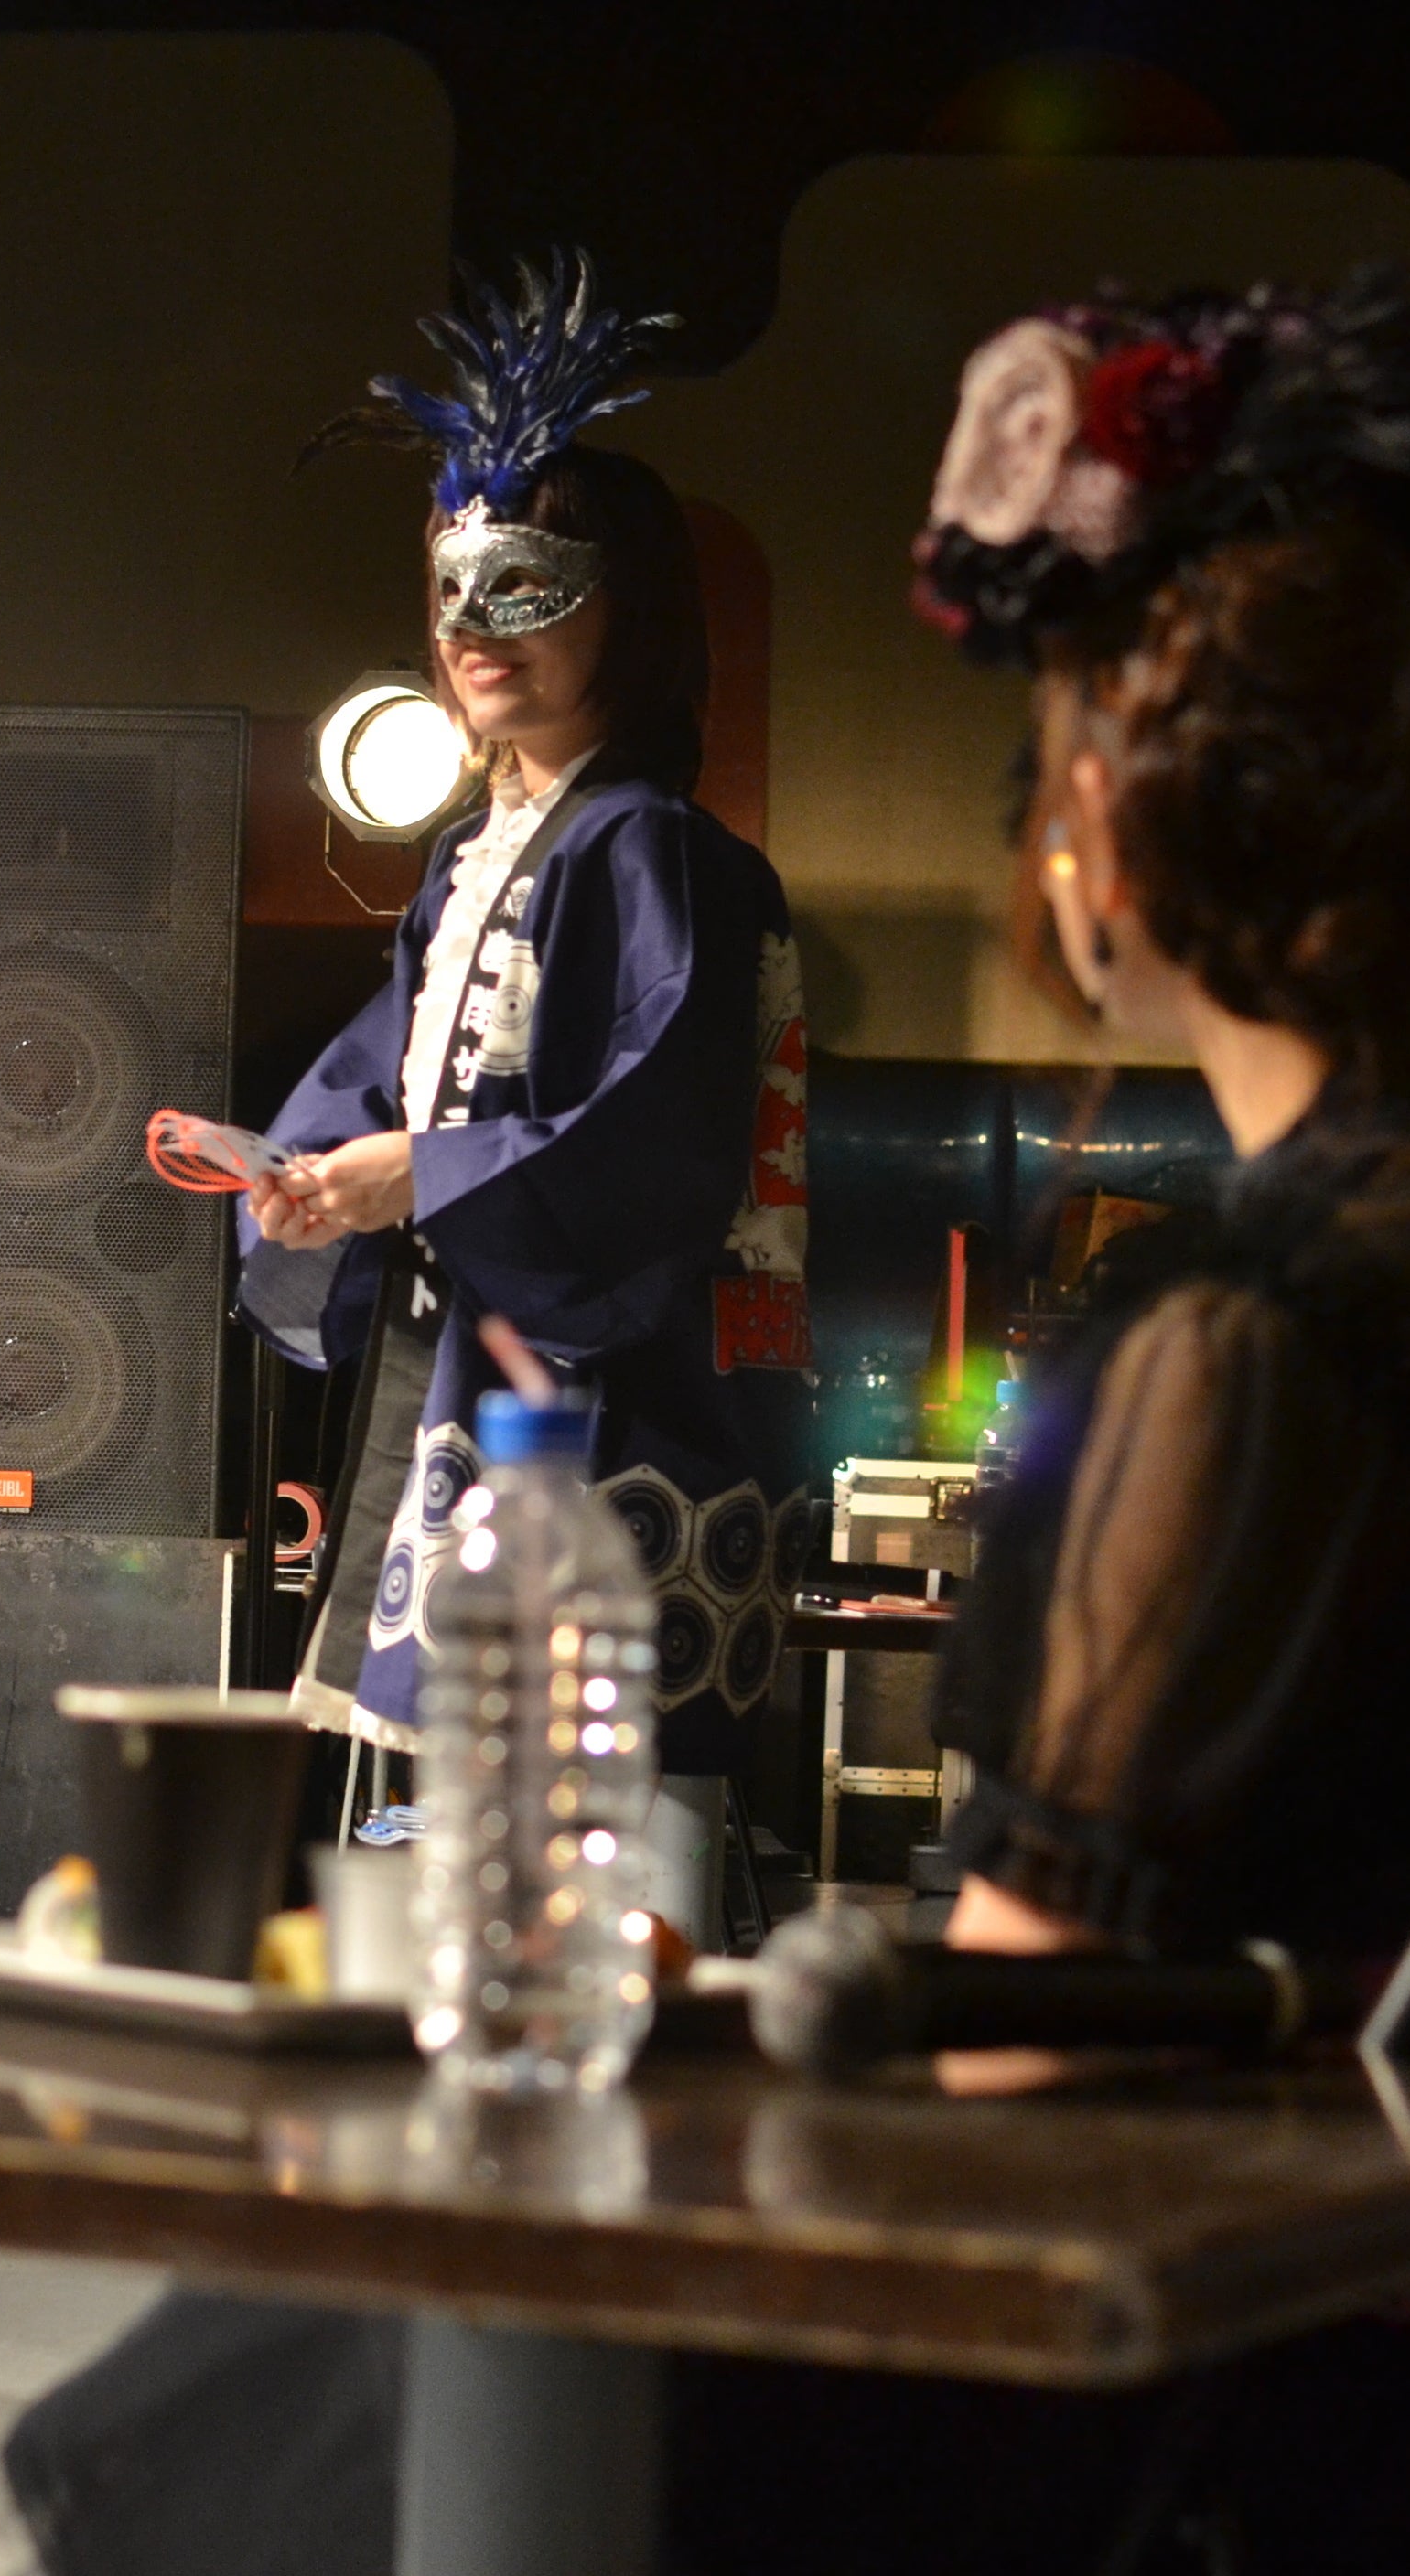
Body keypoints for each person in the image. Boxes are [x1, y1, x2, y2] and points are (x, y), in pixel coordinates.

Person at [0, 278, 1410, 2576]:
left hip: (1256, 2383)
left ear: (1115, 838)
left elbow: (1037, 2047)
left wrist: (716, 2067)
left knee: (228, 2394)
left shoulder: (1245, 1354)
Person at [245, 251, 812, 1788]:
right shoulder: (468, 859)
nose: (473, 624)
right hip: (467, 1360)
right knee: (448, 1794)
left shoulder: (659, 853)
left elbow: (659, 1138)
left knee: (568, 1809)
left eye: (526, 586)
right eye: (451, 588)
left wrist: (423, 1176)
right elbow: (380, 1075)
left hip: (605, 1396)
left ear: (627, 612)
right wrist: (312, 1176)